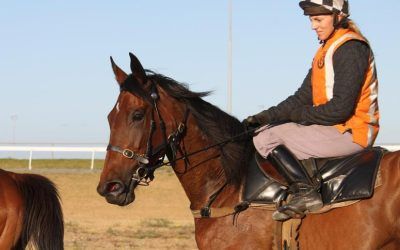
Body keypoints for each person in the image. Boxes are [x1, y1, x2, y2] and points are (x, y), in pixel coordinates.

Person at [243, 0, 379, 221]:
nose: (312, 26)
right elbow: (300, 98)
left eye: (318, 19)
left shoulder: (351, 48)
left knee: (266, 137)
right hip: (334, 129)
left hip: (352, 133)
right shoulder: (326, 50)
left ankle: (306, 193)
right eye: (311, 20)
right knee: (265, 128)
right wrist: (263, 116)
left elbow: (340, 110)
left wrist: (294, 116)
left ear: (338, 17)